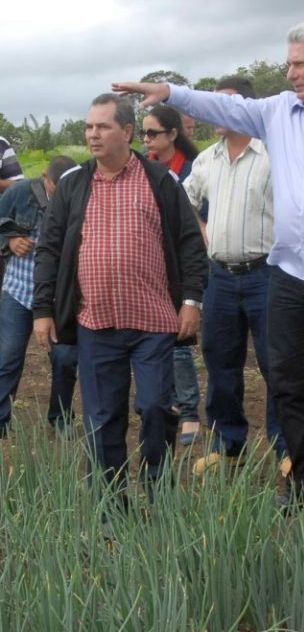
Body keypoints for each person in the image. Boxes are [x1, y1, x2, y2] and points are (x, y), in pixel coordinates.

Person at [112, 20, 304, 534]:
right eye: (288, 63)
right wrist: (170, 92)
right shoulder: (278, 112)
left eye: (299, 64)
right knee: (288, 384)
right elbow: (224, 108)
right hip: (288, 273)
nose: (289, 72)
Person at [32, 94, 207, 497]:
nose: (93, 134)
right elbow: (50, 250)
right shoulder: (74, 186)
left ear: (127, 132)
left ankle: (157, 486)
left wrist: (191, 301)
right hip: (95, 322)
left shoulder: (159, 181)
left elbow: (189, 244)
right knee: (103, 416)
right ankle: (111, 504)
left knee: (154, 408)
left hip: (154, 322)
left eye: (103, 126)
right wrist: (43, 310)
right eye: (89, 127)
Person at [180, 76, 288, 475]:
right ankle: (228, 443)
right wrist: (202, 230)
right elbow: (183, 200)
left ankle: (286, 448)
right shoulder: (207, 159)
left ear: (246, 107)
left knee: (277, 363)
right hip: (220, 277)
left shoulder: (273, 153)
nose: (216, 112)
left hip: (267, 274)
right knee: (220, 363)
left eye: (226, 103)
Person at [0, 156, 79, 439]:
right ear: (45, 178)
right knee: (8, 357)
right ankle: (1, 420)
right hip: (19, 289)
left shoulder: (81, 195)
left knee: (65, 358)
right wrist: (8, 241)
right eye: (57, 187)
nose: (63, 193)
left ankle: (60, 418)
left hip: (60, 297)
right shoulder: (19, 193)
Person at [141, 104, 204, 445]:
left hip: (180, 266)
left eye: (153, 133)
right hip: (150, 267)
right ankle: (166, 405)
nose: (147, 140)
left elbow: (200, 222)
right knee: (150, 339)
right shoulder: (141, 168)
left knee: (179, 341)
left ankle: (190, 410)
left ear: (173, 135)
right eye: (144, 133)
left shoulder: (192, 170)